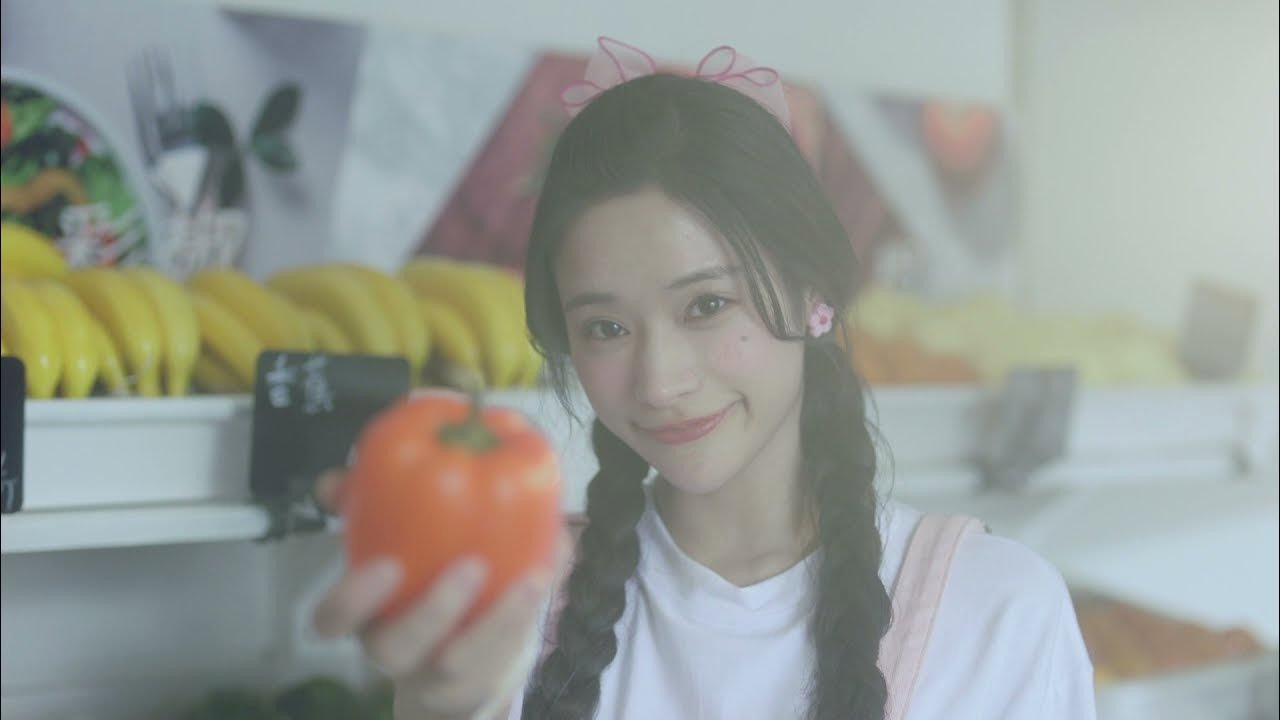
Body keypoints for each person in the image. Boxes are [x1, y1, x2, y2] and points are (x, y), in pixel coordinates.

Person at [313, 39, 1097, 720]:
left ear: (812, 294)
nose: (659, 381)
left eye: (707, 306)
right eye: (606, 327)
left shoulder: (995, 610)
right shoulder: (517, 608)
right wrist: (440, 708)